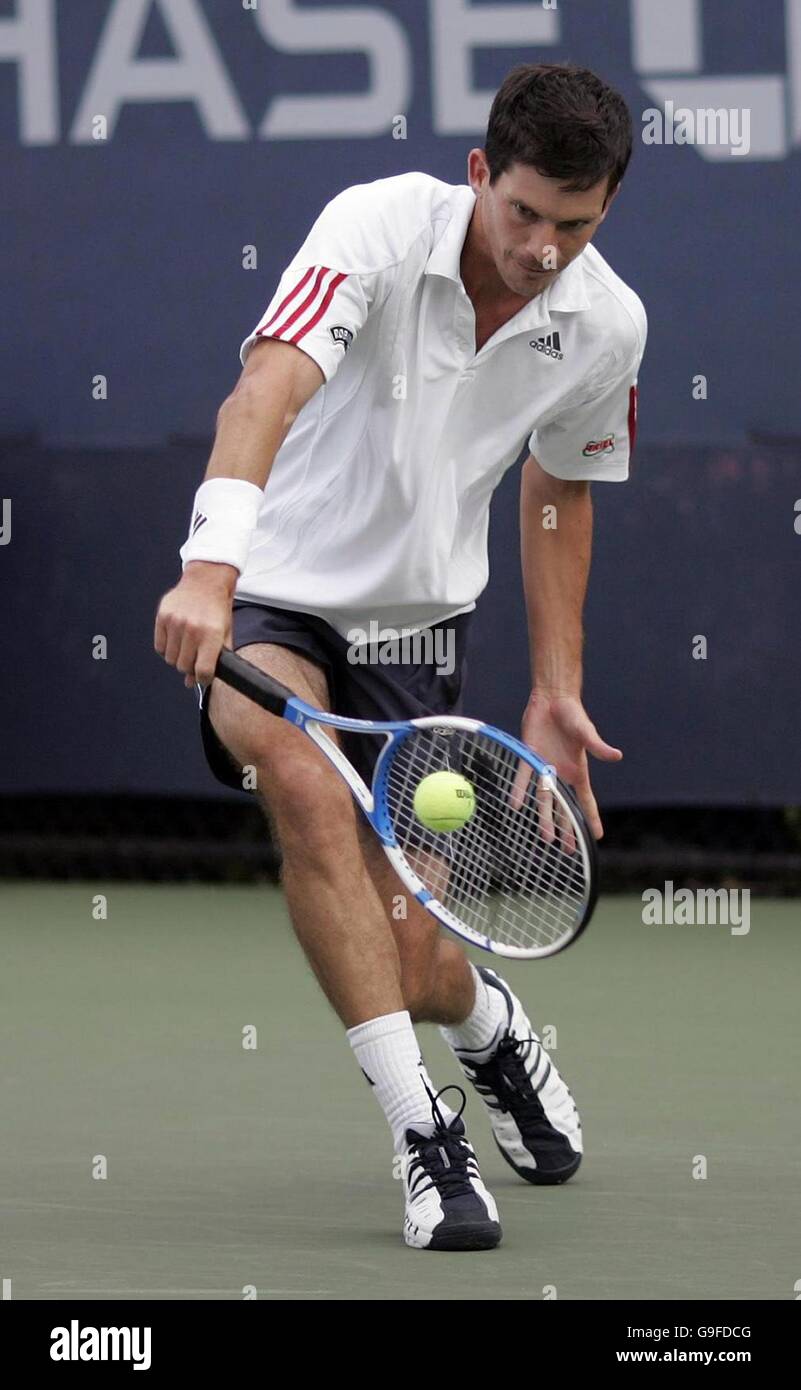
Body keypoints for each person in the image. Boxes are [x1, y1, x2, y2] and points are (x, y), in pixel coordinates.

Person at [154, 62, 647, 1252]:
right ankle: (424, 1133)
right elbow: (264, 389)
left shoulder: (607, 325)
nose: (541, 248)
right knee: (310, 795)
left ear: (608, 211)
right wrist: (211, 570)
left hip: (416, 629)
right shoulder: (373, 225)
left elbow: (560, 489)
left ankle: (483, 1020)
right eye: (523, 212)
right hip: (270, 598)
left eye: (573, 227)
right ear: (481, 175)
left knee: (411, 944)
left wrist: (556, 685)